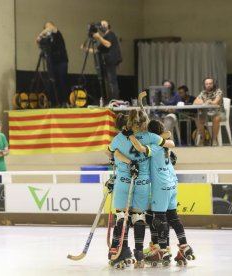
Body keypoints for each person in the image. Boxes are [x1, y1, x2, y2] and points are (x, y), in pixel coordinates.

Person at [107, 110, 175, 268]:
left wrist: (125, 160)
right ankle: (139, 255)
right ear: (144, 123)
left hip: (124, 181)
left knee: (122, 217)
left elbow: (109, 153)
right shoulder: (151, 137)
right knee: (139, 218)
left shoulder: (118, 138)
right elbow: (167, 140)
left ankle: (121, 251)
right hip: (143, 183)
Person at [142, 119, 194, 266]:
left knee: (159, 219)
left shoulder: (154, 147)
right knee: (173, 217)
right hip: (172, 184)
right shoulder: (165, 144)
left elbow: (140, 149)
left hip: (161, 186)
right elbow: (167, 136)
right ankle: (184, 246)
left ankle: (162, 251)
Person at [36, 21, 69, 107]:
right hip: (51, 62)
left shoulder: (56, 33)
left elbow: (51, 28)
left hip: (61, 60)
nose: (48, 28)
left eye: (49, 26)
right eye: (46, 27)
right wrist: (40, 40)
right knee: (53, 82)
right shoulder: (46, 38)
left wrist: (40, 35)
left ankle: (64, 102)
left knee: (62, 81)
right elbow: (40, 44)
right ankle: (55, 102)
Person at [92, 20, 122, 102]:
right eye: (101, 25)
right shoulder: (104, 37)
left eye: (104, 24)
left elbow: (108, 44)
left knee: (112, 81)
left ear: (108, 26)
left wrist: (99, 37)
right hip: (106, 62)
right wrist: (85, 49)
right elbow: (97, 50)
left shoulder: (111, 34)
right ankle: (110, 99)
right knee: (108, 81)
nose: (102, 26)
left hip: (112, 61)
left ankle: (115, 100)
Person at [193, 77, 226, 146]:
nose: (208, 85)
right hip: (207, 114)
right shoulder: (203, 92)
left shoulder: (218, 91)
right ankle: (204, 139)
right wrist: (204, 101)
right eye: (207, 84)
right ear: (204, 85)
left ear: (213, 84)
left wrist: (209, 102)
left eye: (210, 83)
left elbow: (215, 102)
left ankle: (214, 139)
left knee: (216, 118)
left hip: (219, 113)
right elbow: (195, 102)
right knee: (198, 118)